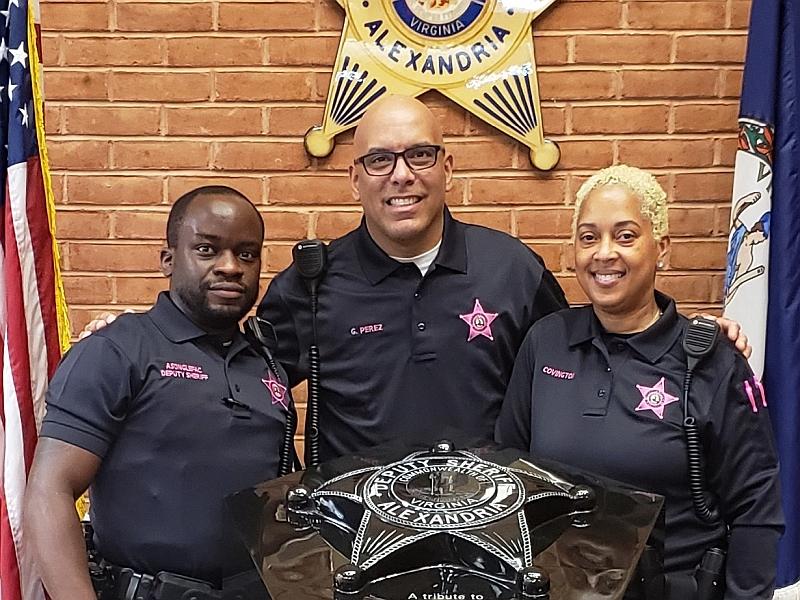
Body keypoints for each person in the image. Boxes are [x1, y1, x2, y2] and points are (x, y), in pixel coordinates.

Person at [495, 165, 783, 599]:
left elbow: (756, 503)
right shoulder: (545, 342)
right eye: (588, 237)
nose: (604, 253)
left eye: (625, 236)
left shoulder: (711, 361)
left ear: (661, 248)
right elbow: (508, 472)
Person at [258, 95, 568, 460]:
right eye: (379, 160)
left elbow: (566, 390)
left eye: (420, 155)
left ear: (448, 169)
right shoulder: (311, 284)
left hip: (489, 512)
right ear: (355, 180)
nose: (402, 175)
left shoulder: (513, 270)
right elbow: (251, 404)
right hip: (352, 516)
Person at [25, 187, 288, 600]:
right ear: (168, 259)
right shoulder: (117, 350)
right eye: (206, 249)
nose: (230, 267)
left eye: (247, 253)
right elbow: (49, 489)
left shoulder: (267, 365)